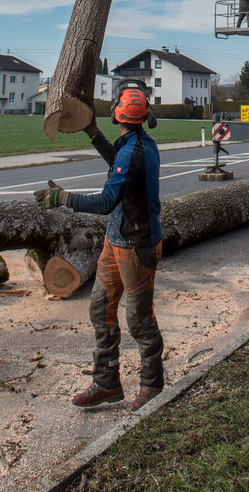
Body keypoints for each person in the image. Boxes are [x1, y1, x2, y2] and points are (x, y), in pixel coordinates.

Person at [43, 82, 163, 412]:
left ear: (118, 114)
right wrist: (92, 132)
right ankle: (107, 381)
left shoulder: (134, 153)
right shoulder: (138, 143)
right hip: (117, 240)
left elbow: (109, 199)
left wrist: (63, 198)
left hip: (137, 245)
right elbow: (117, 161)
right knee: (100, 308)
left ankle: (153, 385)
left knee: (139, 320)